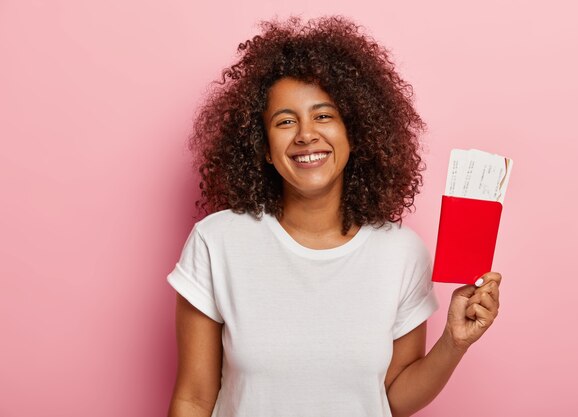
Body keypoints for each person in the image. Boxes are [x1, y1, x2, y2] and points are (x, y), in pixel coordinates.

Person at [166, 15, 502, 417]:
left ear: (355, 134)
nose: (306, 134)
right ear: (262, 147)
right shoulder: (217, 241)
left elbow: (393, 399)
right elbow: (193, 399)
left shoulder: (401, 251)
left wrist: (454, 341)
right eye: (285, 121)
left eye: (323, 116)